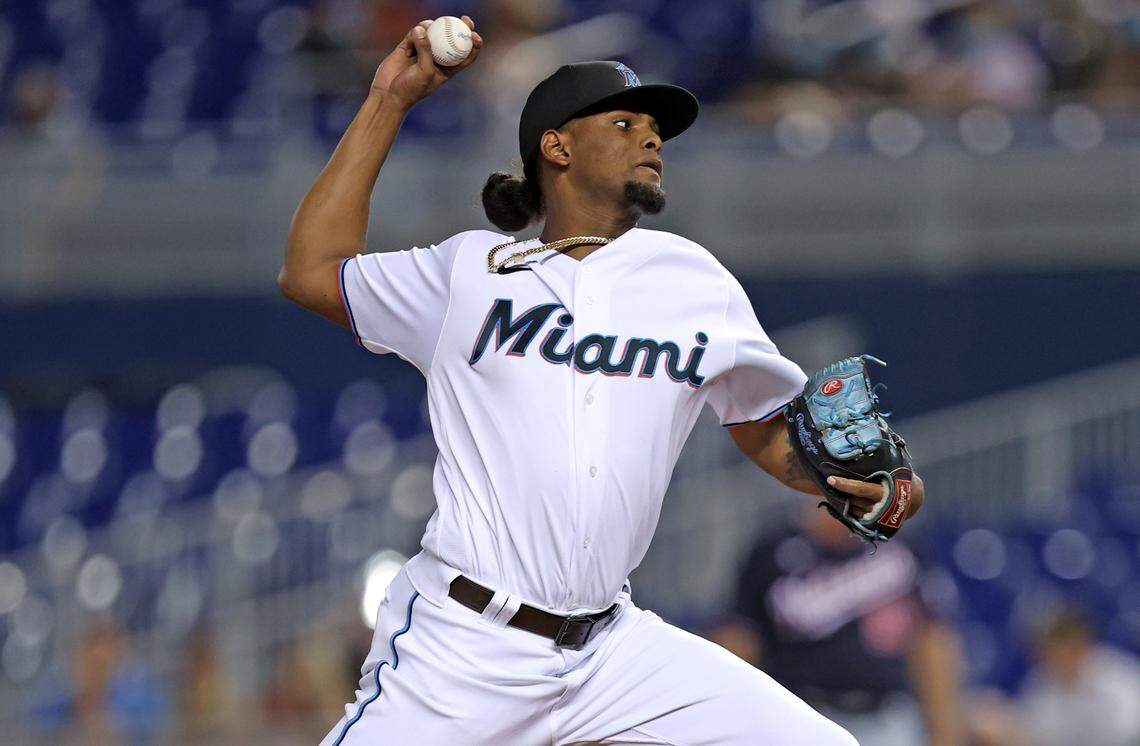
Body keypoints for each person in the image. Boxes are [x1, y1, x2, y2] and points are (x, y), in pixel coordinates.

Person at [278, 15, 924, 744]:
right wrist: (388, 101)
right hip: (462, 647)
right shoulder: (468, 275)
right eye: (623, 123)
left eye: (655, 128)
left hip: (612, 654)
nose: (651, 138)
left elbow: (767, 432)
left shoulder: (693, 280)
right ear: (556, 146)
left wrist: (845, 483)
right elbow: (310, 272)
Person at [711, 502, 962, 746]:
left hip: (887, 717)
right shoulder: (771, 552)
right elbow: (737, 645)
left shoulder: (899, 545)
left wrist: (943, 734)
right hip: (805, 716)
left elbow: (933, 642)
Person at [1018, 606, 1140, 746]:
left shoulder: (1121, 680)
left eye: (1055, 651)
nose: (1045, 659)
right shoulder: (1039, 683)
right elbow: (1031, 733)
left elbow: (1129, 737)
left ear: (1077, 646)